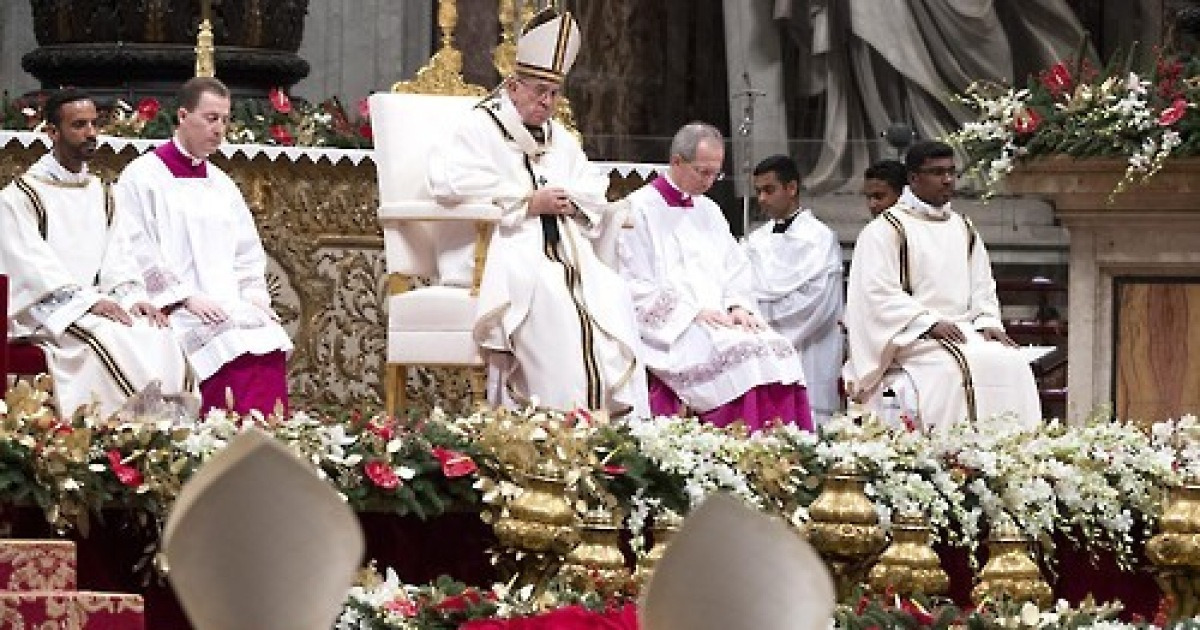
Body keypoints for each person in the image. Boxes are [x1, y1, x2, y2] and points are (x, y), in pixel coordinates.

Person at [427, 8, 648, 418]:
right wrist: (529, 202)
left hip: (562, 249)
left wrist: (568, 201)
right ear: (512, 86)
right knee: (550, 294)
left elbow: (591, 187)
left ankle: (600, 422)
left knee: (610, 291)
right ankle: (547, 419)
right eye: (538, 91)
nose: (546, 102)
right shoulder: (479, 127)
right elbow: (449, 182)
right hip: (499, 248)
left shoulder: (560, 138)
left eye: (554, 93)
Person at [0, 89, 192, 417]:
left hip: (99, 304)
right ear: (52, 132)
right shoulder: (20, 197)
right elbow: (30, 265)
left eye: (94, 124)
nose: (91, 133)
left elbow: (118, 256)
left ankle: (168, 436)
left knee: (155, 333)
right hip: (50, 312)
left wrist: (133, 298)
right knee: (108, 341)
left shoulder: (102, 193)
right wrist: (87, 302)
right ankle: (118, 437)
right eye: (78, 125)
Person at [117, 77, 293, 418]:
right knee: (227, 344)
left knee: (267, 338)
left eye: (225, 120)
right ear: (183, 116)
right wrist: (182, 296)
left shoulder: (221, 184)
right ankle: (222, 441)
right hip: (174, 305)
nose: (219, 129)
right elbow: (135, 246)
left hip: (224, 301)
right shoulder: (141, 178)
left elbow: (246, 250)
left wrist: (255, 298)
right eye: (211, 118)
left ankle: (269, 442)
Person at [619, 123, 811, 431]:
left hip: (720, 319)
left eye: (715, 174)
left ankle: (782, 454)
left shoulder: (710, 210)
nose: (710, 182)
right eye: (702, 172)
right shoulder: (637, 210)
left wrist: (738, 306)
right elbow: (631, 283)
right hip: (676, 326)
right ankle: (738, 447)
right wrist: (691, 312)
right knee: (743, 359)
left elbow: (735, 269)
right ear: (677, 162)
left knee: (780, 350)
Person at [842, 140, 1041, 430]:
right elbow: (876, 294)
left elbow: (982, 284)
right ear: (913, 179)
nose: (947, 180)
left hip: (964, 332)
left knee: (1012, 363)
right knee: (953, 371)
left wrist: (987, 320)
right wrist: (928, 321)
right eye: (937, 173)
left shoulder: (962, 227)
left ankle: (1007, 458)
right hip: (912, 338)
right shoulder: (885, 230)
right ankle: (952, 458)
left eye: (951, 172)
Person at [743, 154, 843, 426]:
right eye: (758, 191)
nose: (762, 199)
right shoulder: (756, 240)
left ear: (791, 188)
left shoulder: (819, 238)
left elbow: (819, 300)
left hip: (808, 344)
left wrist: (770, 328)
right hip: (762, 346)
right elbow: (743, 291)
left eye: (769, 190)